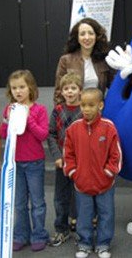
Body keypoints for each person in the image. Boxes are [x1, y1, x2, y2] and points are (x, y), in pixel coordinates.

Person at [63, 88, 122, 258]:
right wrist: (74, 172)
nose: (86, 109)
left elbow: (116, 154)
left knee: (106, 214)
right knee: (84, 215)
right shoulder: (73, 129)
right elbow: (68, 153)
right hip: (82, 184)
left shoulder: (108, 128)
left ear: (100, 105)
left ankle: (103, 244)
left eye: (91, 105)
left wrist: (108, 173)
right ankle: (84, 243)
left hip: (105, 184)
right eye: (83, 105)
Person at [0, 69, 49, 252]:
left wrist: (29, 119)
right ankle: (21, 235)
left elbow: (42, 135)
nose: (18, 91)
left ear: (30, 88)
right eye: (14, 88)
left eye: (22, 87)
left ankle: (39, 234)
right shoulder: (9, 109)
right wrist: (6, 122)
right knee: (19, 204)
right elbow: (3, 134)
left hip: (35, 162)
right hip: (15, 163)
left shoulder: (39, 110)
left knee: (37, 203)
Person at [47, 70, 83, 246]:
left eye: (73, 88)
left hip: (80, 163)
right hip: (62, 162)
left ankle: (81, 228)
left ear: (80, 90)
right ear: (61, 92)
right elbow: (51, 134)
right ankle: (61, 229)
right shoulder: (57, 110)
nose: (69, 92)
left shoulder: (85, 110)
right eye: (66, 88)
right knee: (61, 197)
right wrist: (57, 156)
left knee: (80, 195)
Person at [54, 17, 114, 104]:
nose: (87, 37)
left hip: (97, 110)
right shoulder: (66, 60)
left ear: (97, 36)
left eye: (91, 33)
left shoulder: (104, 60)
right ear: (77, 38)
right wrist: (61, 113)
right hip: (73, 111)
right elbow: (59, 92)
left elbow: (115, 86)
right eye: (82, 34)